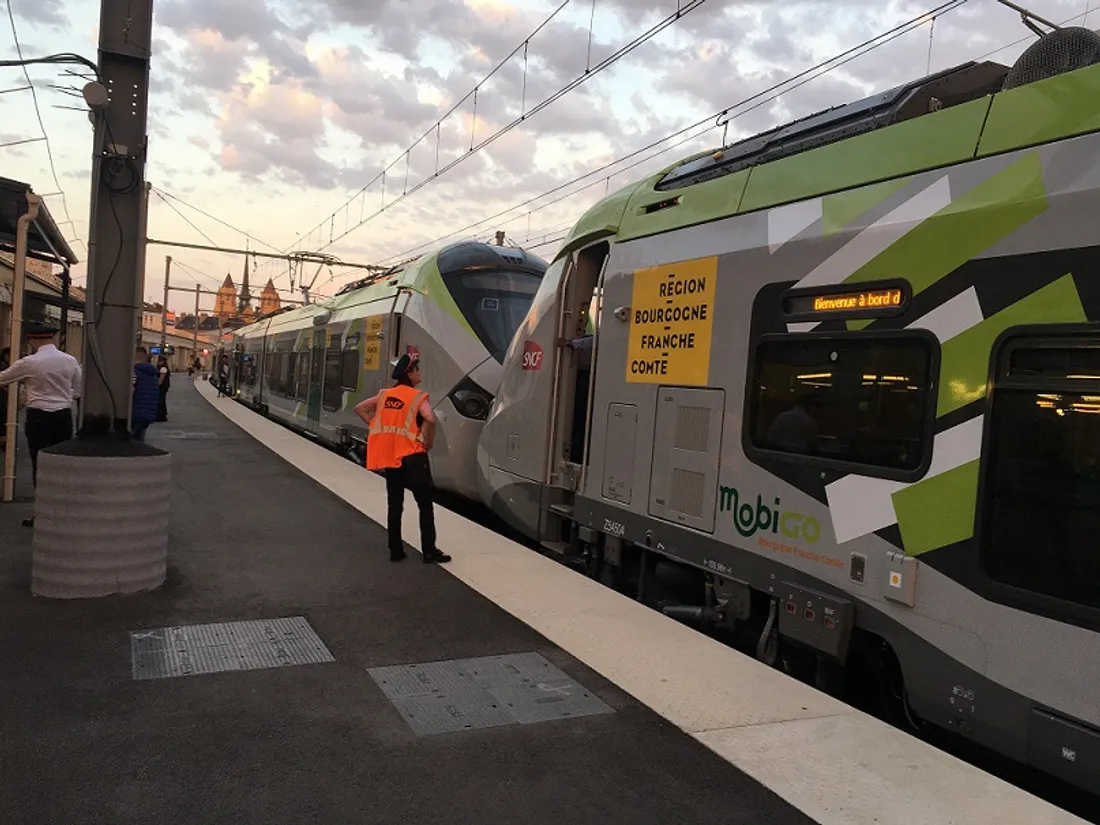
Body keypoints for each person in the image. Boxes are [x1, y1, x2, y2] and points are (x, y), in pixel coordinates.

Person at [354, 353, 451, 564]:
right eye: (417, 370)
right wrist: (428, 442)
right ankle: (429, 551)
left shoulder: (384, 395)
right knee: (425, 505)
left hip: (391, 459)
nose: (420, 374)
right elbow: (430, 419)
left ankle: (396, 550)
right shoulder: (418, 397)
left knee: (395, 505)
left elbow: (359, 408)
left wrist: (373, 424)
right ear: (410, 373)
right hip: (413, 457)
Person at [0, 321, 81, 527]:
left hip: (38, 418)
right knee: (62, 464)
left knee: (41, 464)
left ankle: (43, 515)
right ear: (52, 338)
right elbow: (78, 389)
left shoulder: (28, 363)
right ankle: (65, 512)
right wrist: (64, 396)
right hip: (63, 416)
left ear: (32, 340)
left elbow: (3, 378)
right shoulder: (70, 360)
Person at [132, 348, 159, 441]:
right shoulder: (152, 374)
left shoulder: (135, 373)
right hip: (148, 413)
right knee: (140, 440)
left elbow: (131, 390)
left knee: (130, 442)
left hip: (135, 412)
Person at [156, 355, 170, 422]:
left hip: (162, 387)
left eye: (160, 361)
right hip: (164, 387)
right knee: (161, 400)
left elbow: (161, 380)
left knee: (160, 401)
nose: (158, 362)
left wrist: (157, 385)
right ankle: (162, 415)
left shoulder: (163, 369)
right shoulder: (163, 368)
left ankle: (160, 416)